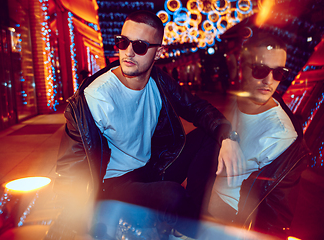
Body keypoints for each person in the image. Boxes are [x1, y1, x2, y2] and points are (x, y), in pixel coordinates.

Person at [56, 10, 243, 239]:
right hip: (114, 186)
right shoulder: (94, 98)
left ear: (158, 53)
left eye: (141, 46)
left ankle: (189, 222)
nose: (128, 52)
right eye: (123, 42)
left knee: (210, 137)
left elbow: (196, 107)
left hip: (153, 167)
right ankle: (190, 224)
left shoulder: (159, 80)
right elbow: (69, 169)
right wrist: (73, 222)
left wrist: (228, 137)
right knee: (173, 196)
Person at [207, 29, 310, 238]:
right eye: (260, 70)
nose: (269, 81)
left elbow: (276, 213)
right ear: (241, 66)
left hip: (230, 223)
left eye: (278, 73)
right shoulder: (236, 97)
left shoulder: (282, 134)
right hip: (201, 200)